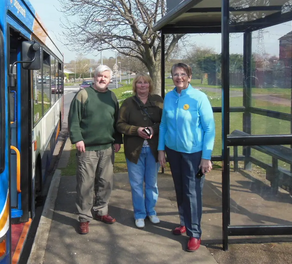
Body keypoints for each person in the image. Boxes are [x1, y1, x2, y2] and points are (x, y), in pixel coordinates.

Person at [157, 63, 215, 252]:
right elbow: (164, 125)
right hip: (174, 152)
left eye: (183, 74)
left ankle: (195, 233)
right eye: (175, 74)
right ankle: (184, 222)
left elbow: (209, 128)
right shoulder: (169, 97)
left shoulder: (199, 98)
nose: (179, 77)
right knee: (180, 190)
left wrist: (206, 157)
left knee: (192, 193)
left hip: (194, 154)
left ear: (189, 77)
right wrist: (161, 149)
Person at [68, 64, 122, 235]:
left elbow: (116, 121)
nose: (102, 79)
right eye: (99, 76)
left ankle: (101, 211)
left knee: (105, 182)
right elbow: (74, 120)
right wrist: (77, 139)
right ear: (94, 77)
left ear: (110, 79)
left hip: (107, 147)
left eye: (105, 77)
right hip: (88, 149)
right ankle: (84, 217)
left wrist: (118, 139)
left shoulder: (112, 97)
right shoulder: (83, 95)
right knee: (85, 183)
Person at [116, 74, 163, 229]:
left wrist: (152, 129)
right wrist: (137, 130)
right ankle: (139, 214)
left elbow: (165, 123)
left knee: (152, 183)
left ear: (150, 85)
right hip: (134, 150)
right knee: (136, 184)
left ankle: (151, 211)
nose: (142, 86)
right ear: (135, 86)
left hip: (153, 149)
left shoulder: (158, 101)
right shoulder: (128, 103)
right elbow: (120, 125)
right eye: (139, 83)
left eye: (146, 83)